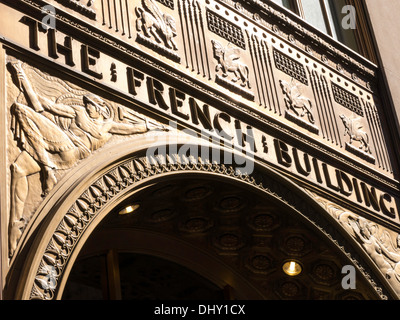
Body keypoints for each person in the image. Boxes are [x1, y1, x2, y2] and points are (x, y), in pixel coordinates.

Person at [8, 60, 165, 255]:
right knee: (18, 169)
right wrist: (21, 77)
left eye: (91, 104)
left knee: (20, 109)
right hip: (56, 152)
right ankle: (16, 224)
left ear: (99, 107)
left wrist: (157, 126)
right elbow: (42, 106)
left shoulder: (107, 125)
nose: (88, 106)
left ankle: (48, 169)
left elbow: (133, 128)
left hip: (70, 150)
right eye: (87, 103)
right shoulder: (79, 112)